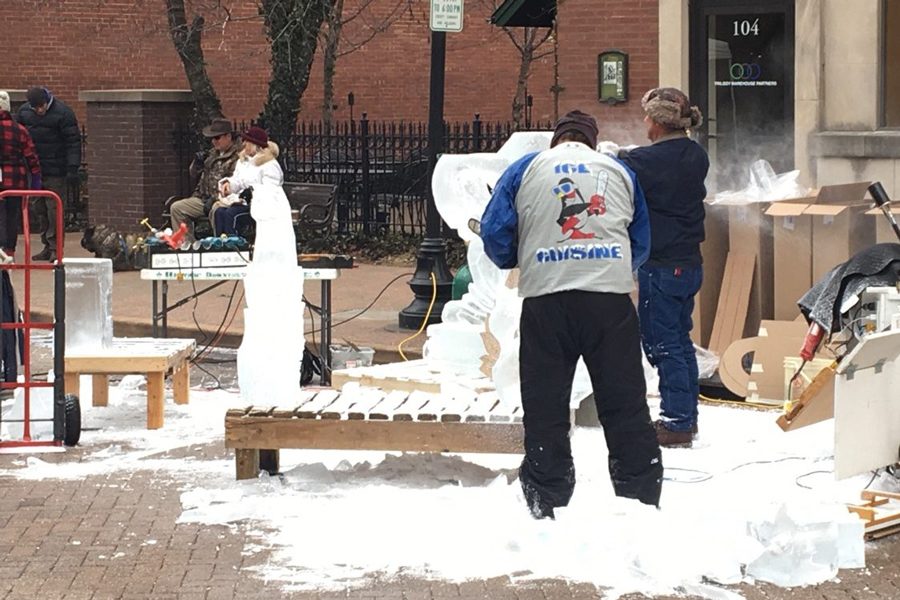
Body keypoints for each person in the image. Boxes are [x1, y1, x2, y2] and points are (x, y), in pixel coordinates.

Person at [480, 110, 663, 519]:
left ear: (555, 140)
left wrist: (521, 257)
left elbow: (495, 232)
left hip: (547, 301)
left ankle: (547, 500)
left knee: (545, 405)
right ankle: (640, 499)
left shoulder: (525, 168)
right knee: (624, 404)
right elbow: (642, 241)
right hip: (608, 302)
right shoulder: (617, 170)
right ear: (592, 142)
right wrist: (608, 264)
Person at [616, 87, 709, 448]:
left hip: (663, 267)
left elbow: (623, 166)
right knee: (680, 342)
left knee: (662, 344)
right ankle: (686, 416)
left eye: (647, 116)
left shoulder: (648, 161)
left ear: (658, 121)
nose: (643, 122)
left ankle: (677, 422)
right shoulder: (696, 155)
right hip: (688, 265)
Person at [16, 87, 81, 262]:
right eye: (35, 107)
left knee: (55, 210)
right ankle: (46, 243)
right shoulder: (24, 112)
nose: (39, 110)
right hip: (34, 170)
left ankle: (55, 247)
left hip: (56, 169)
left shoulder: (63, 113)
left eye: (42, 106)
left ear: (47, 100)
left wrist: (72, 167)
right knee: (38, 208)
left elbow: (73, 142)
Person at [169, 118, 241, 242]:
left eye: (217, 138)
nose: (214, 142)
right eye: (212, 139)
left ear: (228, 136)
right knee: (177, 207)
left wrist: (216, 198)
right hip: (203, 198)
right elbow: (193, 174)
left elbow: (234, 182)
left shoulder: (237, 156)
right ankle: (187, 246)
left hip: (223, 200)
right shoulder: (212, 154)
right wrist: (197, 163)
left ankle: (217, 244)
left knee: (217, 211)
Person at [215, 126, 283, 236]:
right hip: (244, 202)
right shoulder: (244, 162)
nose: (243, 144)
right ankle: (221, 246)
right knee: (219, 212)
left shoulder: (269, 164)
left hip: (262, 206)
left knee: (231, 214)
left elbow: (272, 190)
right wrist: (229, 185)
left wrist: (252, 192)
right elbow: (239, 181)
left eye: (246, 141)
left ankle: (236, 247)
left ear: (254, 144)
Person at [0, 91, 42, 259]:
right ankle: (10, 249)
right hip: (16, 179)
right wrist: (36, 180)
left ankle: (0, 249)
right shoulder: (20, 130)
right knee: (12, 216)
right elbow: (31, 156)